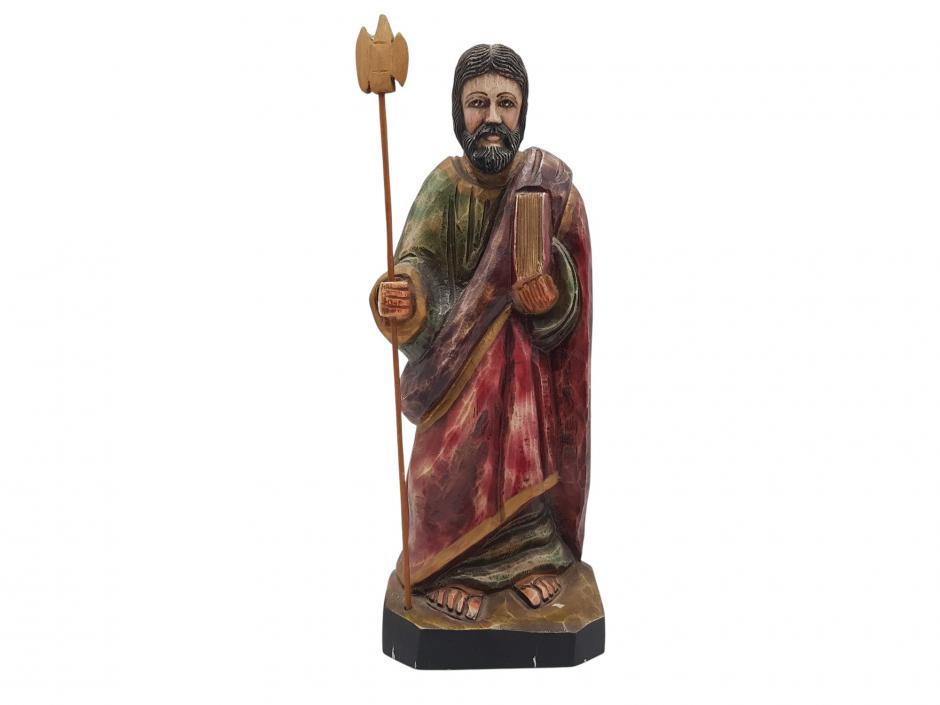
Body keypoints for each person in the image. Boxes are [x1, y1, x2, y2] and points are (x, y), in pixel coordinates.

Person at [370, 43, 593, 621]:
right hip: (453, 377)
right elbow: (415, 264)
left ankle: (529, 560)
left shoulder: (548, 185)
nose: (492, 118)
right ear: (458, 110)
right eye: (478, 103)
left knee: (523, 463)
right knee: (441, 481)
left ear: (522, 111)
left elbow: (571, 279)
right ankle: (448, 570)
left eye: (505, 104)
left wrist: (551, 296)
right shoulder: (442, 186)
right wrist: (405, 295)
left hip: (523, 378)